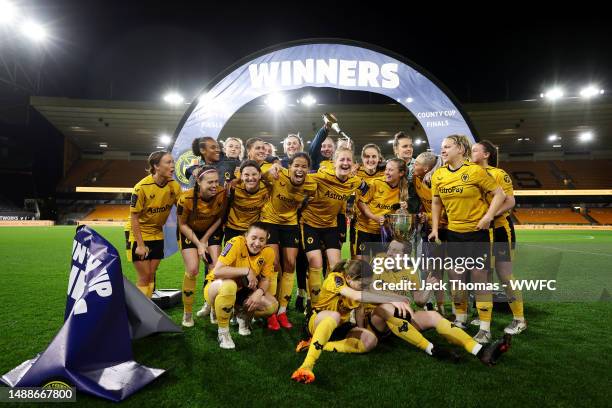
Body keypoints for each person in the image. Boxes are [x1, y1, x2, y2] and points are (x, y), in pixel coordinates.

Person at [291, 259, 511, 384]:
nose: (396, 254)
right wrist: (390, 299)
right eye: (393, 250)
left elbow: (415, 299)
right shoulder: (336, 279)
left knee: (372, 341)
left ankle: (479, 351)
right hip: (320, 321)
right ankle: (307, 366)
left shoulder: (400, 273)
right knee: (335, 316)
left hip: (356, 325)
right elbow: (358, 298)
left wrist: (424, 289)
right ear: (350, 278)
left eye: (401, 251)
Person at [428, 135, 506, 344]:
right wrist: (435, 228)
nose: (443, 150)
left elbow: (500, 194)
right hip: (454, 234)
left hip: (476, 233)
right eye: (442, 147)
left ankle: (485, 327)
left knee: (480, 279)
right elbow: (436, 203)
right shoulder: (439, 175)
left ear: (461, 149)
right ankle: (461, 319)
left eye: (447, 147)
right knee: (456, 278)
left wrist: (488, 217)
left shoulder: (475, 171)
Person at [300, 147, 367, 313]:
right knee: (316, 263)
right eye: (341, 159)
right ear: (334, 162)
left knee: (337, 266)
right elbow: (297, 179)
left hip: (330, 226)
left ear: (353, 165)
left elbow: (367, 188)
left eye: (348, 160)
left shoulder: (355, 181)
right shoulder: (321, 176)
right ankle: (314, 306)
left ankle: (334, 300)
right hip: (309, 225)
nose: (345, 163)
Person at [471, 140, 526, 335]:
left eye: (475, 150)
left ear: (486, 154)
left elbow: (510, 201)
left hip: (500, 229)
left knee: (504, 275)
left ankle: (519, 319)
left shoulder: (498, 174)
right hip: (480, 232)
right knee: (481, 275)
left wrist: (490, 216)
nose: (471, 152)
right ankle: (484, 317)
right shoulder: (469, 173)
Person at [260, 153, 316, 330]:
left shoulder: (311, 184)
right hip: (269, 221)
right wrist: (270, 169)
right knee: (274, 264)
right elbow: (261, 177)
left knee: (290, 264)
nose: (299, 169)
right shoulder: (278, 174)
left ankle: (282, 311)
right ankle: (271, 311)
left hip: (290, 223)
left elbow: (309, 198)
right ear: (289, 166)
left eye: (304, 166)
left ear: (308, 169)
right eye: (296, 166)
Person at [204, 222, 279, 349]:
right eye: (253, 238)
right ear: (246, 236)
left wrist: (258, 292)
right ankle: (223, 332)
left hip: (242, 290)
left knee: (272, 306)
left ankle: (240, 314)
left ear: (266, 240)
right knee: (229, 286)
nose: (257, 243)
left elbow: (266, 280)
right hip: (216, 286)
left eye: (262, 239)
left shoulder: (268, 252)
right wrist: (246, 270)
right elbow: (217, 271)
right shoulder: (236, 243)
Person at [125, 151, 181, 298]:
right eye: (168, 162)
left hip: (157, 232)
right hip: (138, 233)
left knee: (151, 275)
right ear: (156, 166)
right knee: (144, 277)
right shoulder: (141, 187)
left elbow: (183, 208)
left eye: (172, 162)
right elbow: (134, 218)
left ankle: (148, 309)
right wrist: (140, 245)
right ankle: (140, 315)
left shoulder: (174, 186)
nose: (172, 166)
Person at [177, 166, 227, 327]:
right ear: (198, 182)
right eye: (210, 182)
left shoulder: (222, 193)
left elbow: (220, 219)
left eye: (216, 182)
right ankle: (188, 312)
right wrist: (199, 244)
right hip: (189, 232)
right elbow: (182, 224)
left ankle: (213, 308)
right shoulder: (185, 198)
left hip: (211, 231)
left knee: (215, 269)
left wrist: (205, 240)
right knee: (192, 269)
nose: (214, 185)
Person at [412, 151, 447, 314]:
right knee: (427, 270)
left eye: (417, 164)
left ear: (426, 168)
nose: (414, 166)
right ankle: (432, 305)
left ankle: (446, 309)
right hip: (428, 231)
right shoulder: (416, 177)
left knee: (440, 272)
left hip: (445, 230)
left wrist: (427, 216)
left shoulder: (440, 180)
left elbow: (445, 211)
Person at [354, 158, 407, 260]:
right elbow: (361, 203)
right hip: (365, 229)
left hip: (384, 233)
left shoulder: (403, 188)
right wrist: (374, 217)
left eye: (390, 170)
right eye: (386, 169)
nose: (386, 172)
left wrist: (403, 209)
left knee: (380, 266)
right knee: (363, 265)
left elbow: (397, 213)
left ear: (401, 173)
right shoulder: (375, 183)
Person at [350, 143, 386, 258]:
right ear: (362, 158)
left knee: (379, 267)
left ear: (379, 158)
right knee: (360, 267)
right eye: (367, 156)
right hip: (361, 226)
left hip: (380, 227)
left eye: (374, 156)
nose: (370, 160)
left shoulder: (385, 173)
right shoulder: (355, 172)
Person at [223, 160, 270, 243]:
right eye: (246, 175)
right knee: (231, 255)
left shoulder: (267, 188)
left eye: (254, 174)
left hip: (252, 230)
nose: (251, 178)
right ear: (241, 176)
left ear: (260, 175)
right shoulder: (233, 187)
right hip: (232, 228)